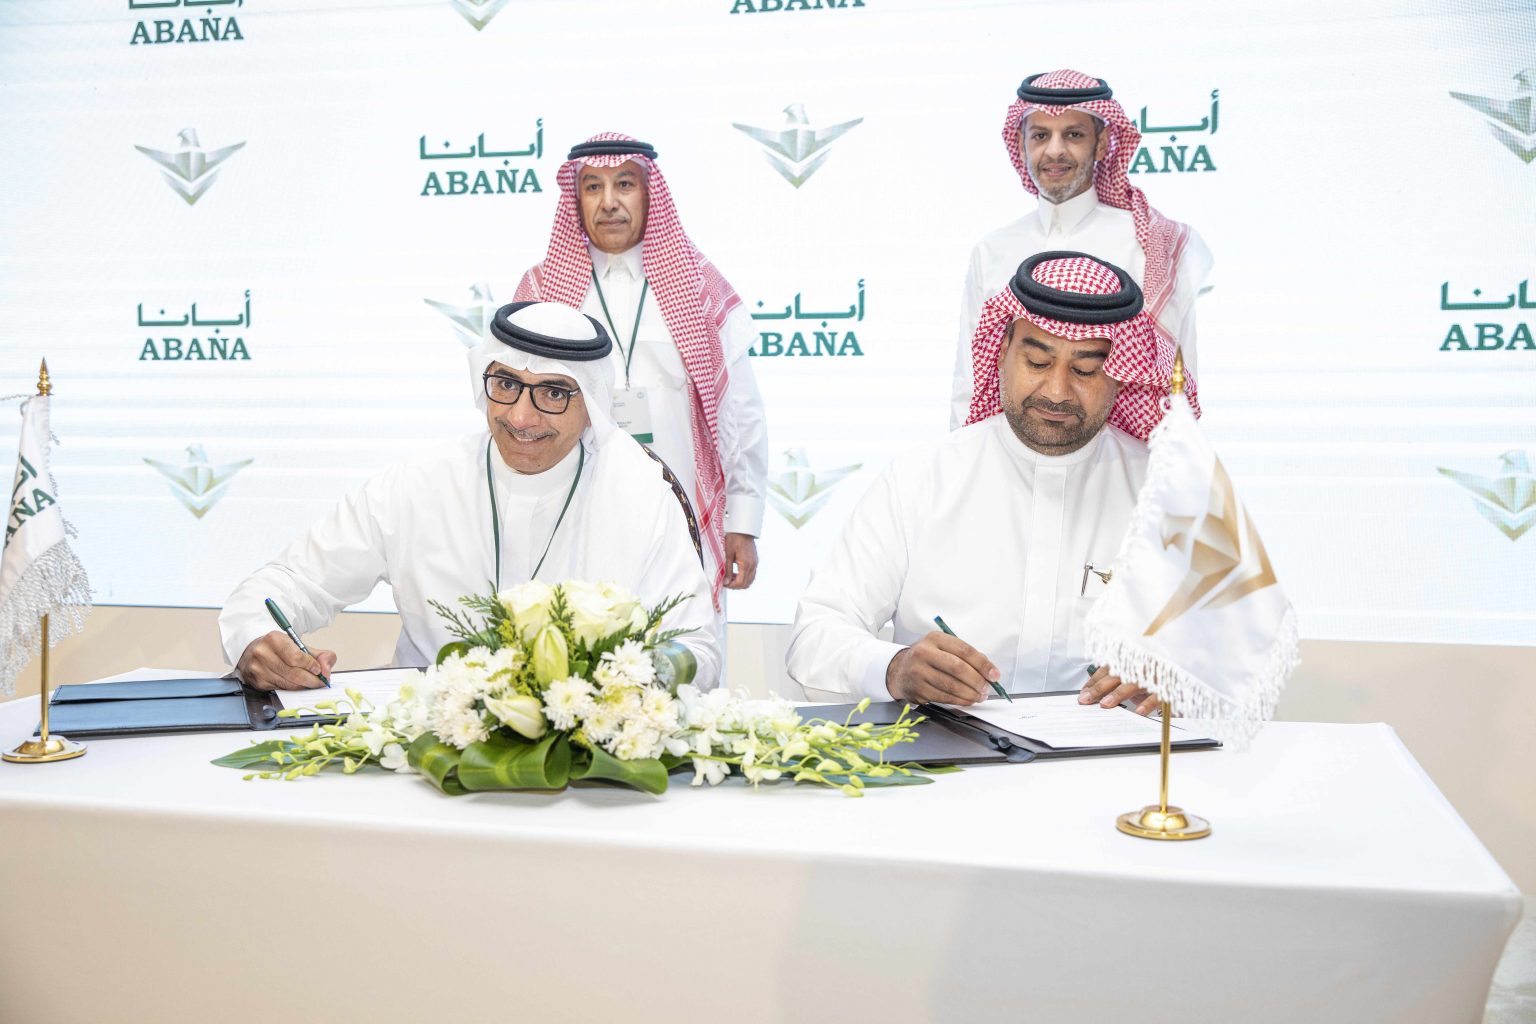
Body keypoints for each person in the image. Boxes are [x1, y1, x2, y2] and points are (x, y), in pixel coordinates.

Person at [220, 301, 719, 691]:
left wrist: (612, 689)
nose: (520, 417)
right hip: (426, 748)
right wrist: (254, 636)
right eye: (506, 384)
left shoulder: (639, 493)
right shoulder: (419, 483)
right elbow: (288, 582)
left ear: (591, 404)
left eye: (553, 393)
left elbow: (696, 648)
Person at [788, 252, 1179, 713]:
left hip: (1117, 753)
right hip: (946, 753)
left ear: (1121, 375)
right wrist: (894, 668)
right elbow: (815, 633)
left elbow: (1235, 647)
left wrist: (1178, 676)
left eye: (1085, 370)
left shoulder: (1168, 492)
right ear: (1002, 352)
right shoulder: (922, 478)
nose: (1056, 391)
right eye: (1037, 361)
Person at [514, 133, 768, 638]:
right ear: (576, 198)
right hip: (571, 514)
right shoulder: (541, 292)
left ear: (650, 193)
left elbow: (740, 413)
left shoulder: (699, 286)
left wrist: (742, 520)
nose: (609, 202)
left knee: (684, 651)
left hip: (682, 510)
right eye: (593, 187)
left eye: (624, 184)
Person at [950, 69, 1212, 430]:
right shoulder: (992, 249)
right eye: (1040, 135)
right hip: (1008, 455)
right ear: (1021, 144)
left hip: (1119, 456)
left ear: (1101, 144)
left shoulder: (1151, 243)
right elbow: (969, 385)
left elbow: (1177, 387)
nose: (1054, 150)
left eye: (1073, 134)